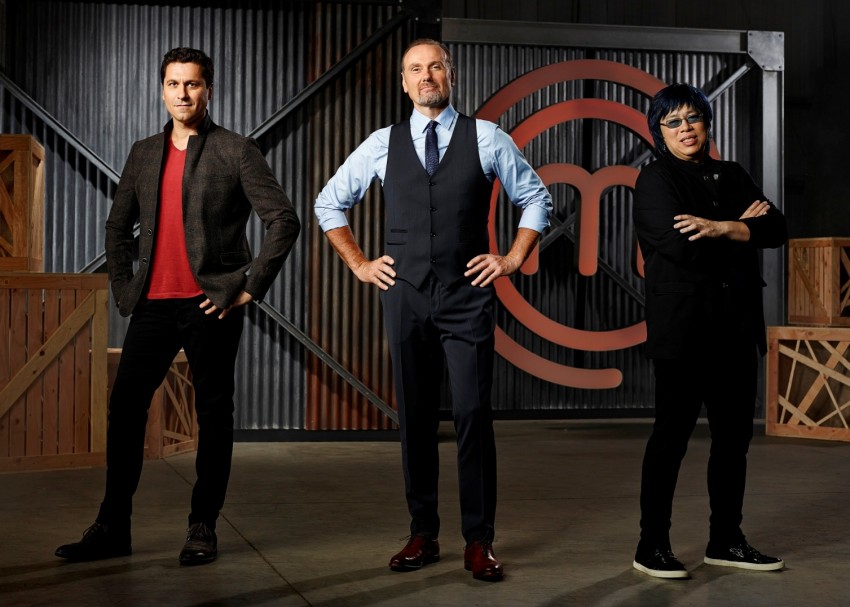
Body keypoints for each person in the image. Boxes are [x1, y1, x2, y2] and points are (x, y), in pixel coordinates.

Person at [315, 39, 551, 582]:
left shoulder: (486, 137)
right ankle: (422, 532)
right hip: (406, 296)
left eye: (435, 67)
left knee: (472, 414)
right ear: (404, 83)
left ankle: (479, 540)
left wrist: (512, 258)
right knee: (416, 417)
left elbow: (536, 198)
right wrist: (359, 264)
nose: (426, 76)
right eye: (416, 69)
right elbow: (329, 202)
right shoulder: (381, 143)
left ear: (451, 75)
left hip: (467, 295)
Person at [55, 47, 300, 566]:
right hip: (153, 305)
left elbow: (283, 220)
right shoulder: (144, 152)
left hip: (210, 305)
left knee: (213, 414)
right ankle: (112, 527)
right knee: (125, 408)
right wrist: (125, 288)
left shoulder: (236, 150)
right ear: (162, 89)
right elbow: (117, 227)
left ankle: (202, 526)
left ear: (208, 89)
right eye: (173, 84)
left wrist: (249, 287)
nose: (183, 93)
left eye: (192, 84)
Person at [631, 83, 787, 579]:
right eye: (673, 122)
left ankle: (726, 540)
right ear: (659, 131)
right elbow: (682, 246)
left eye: (693, 118)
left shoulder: (733, 173)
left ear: (707, 123)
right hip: (684, 329)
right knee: (670, 440)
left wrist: (718, 226)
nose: (686, 129)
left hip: (736, 328)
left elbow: (777, 229)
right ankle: (651, 546)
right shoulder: (655, 179)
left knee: (733, 442)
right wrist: (741, 227)